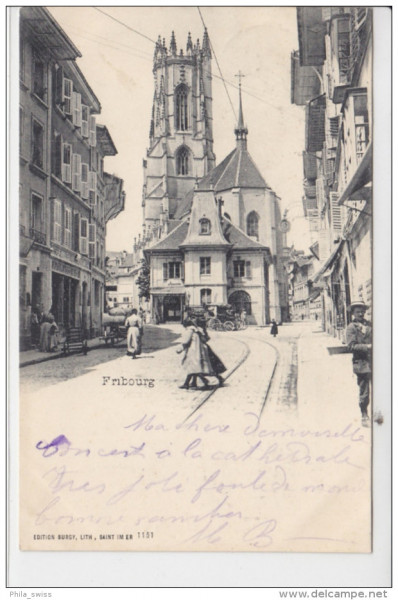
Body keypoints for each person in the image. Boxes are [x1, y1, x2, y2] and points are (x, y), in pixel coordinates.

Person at [346, 300, 372, 426]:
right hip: (361, 363)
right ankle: (364, 414)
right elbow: (351, 346)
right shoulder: (351, 328)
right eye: (357, 312)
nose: (360, 314)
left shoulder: (370, 325)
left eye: (362, 311)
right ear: (353, 314)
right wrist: (367, 347)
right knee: (365, 391)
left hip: (374, 362)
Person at [176, 319, 214, 390]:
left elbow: (186, 342)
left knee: (194, 368)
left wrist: (179, 350)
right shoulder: (197, 330)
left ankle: (205, 382)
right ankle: (187, 383)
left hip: (193, 351)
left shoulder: (189, 331)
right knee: (193, 368)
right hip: (199, 350)